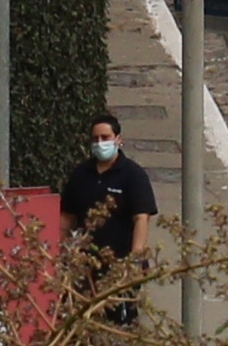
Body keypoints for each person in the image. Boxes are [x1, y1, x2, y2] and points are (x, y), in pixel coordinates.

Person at [59, 112, 157, 324]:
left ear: (118, 139)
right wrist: (59, 254)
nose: (100, 143)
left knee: (119, 322)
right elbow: (66, 218)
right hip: (85, 266)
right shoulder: (80, 175)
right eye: (95, 139)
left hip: (119, 265)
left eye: (105, 137)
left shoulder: (133, 175)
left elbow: (141, 218)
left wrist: (134, 261)